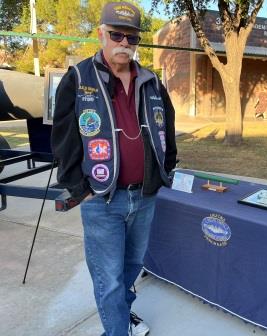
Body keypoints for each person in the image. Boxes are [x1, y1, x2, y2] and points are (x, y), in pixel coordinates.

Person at [51, 2, 177, 335]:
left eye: (131, 37)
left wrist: (166, 171)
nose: (123, 43)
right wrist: (81, 189)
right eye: (116, 34)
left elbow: (169, 129)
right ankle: (117, 330)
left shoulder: (151, 81)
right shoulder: (78, 78)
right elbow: (63, 139)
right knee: (108, 279)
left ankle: (122, 317)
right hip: (102, 201)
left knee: (130, 269)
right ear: (101, 35)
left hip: (144, 198)